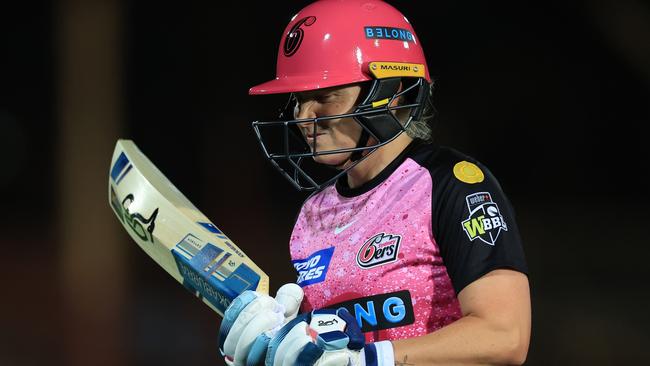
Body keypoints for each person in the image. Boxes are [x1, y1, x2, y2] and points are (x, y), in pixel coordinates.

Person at [219, 1, 531, 365]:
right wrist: (277, 348)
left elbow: (505, 336)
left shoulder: (451, 186)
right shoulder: (313, 215)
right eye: (299, 100)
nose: (304, 116)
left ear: (391, 91)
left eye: (324, 96)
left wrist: (371, 359)